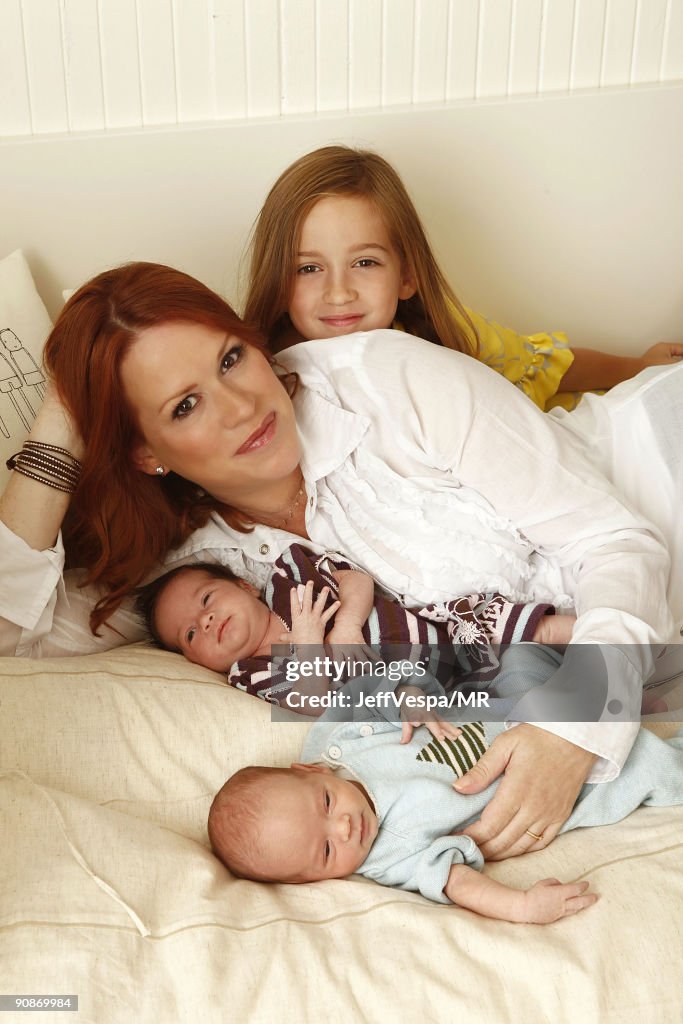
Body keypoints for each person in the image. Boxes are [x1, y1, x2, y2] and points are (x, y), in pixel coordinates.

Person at [0, 261, 677, 863]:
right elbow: (13, 636)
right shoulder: (187, 570)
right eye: (184, 405)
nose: (242, 407)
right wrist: (69, 401)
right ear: (146, 454)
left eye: (231, 358)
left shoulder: (386, 378)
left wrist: (571, 728)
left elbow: (616, 542)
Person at [207, 647, 683, 923]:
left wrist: (407, 697)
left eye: (327, 805)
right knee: (650, 767)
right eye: (326, 853)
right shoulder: (388, 857)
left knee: (523, 654)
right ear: (311, 882)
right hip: (559, 787)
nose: (345, 828)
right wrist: (520, 907)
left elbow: (377, 681)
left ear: (309, 771)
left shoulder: (336, 741)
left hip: (514, 707)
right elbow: (455, 883)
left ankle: (629, 685)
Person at [244, 145, 683, 410]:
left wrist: (636, 367)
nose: (338, 292)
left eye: (365, 262)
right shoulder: (269, 378)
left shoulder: (448, 332)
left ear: (407, 276)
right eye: (308, 269)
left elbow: (546, 364)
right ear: (279, 283)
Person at [135, 542, 574, 711]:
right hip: (432, 697)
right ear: (194, 662)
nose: (205, 621)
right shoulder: (250, 673)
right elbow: (315, 703)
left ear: (245, 585)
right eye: (190, 634)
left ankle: (617, 635)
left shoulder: (291, 578)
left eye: (207, 600)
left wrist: (345, 626)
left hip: (443, 631)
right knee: (511, 696)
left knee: (527, 629)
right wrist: (307, 640)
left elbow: (355, 579)